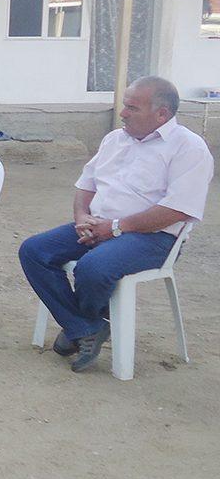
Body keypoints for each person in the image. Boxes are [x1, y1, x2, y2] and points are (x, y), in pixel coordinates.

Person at [19, 76, 213, 373]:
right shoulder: (115, 139)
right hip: (98, 225)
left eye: (132, 108)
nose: (122, 113)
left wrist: (117, 227)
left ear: (162, 114)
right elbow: (86, 186)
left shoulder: (189, 148)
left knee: (94, 268)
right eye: (124, 105)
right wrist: (82, 217)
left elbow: (176, 210)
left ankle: (79, 326)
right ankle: (85, 327)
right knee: (34, 251)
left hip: (154, 237)